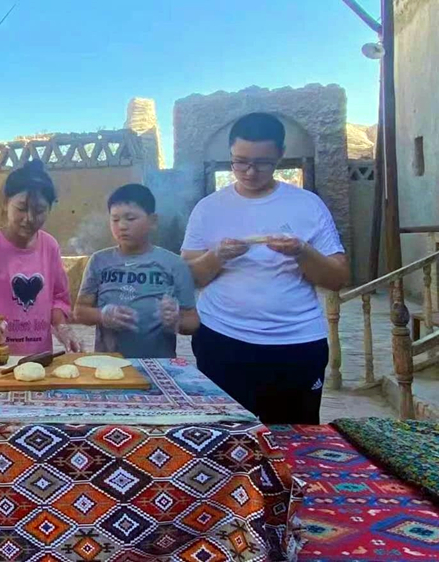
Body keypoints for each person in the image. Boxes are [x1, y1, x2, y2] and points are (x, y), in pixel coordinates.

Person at [181, 112, 350, 424]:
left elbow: (337, 277)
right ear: (230, 154)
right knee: (226, 436)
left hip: (296, 344)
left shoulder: (307, 205)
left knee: (294, 438)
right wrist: (217, 256)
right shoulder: (208, 209)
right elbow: (189, 277)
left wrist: (302, 251)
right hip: (222, 339)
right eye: (240, 161)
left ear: (280, 156)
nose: (249, 171)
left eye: (262, 163)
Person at [0, 159, 82, 355]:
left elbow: (58, 298)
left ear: (50, 209)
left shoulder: (50, 247)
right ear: (6, 203)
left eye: (39, 211)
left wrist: (62, 326)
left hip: (35, 358)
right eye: (21, 208)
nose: (29, 218)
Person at [74, 183, 199, 358]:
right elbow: (80, 311)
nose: (122, 226)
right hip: (110, 363)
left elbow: (193, 321)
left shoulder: (174, 264)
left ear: (153, 221)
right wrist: (103, 315)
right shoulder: (99, 261)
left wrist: (176, 319)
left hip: (159, 363)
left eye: (130, 218)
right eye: (115, 219)